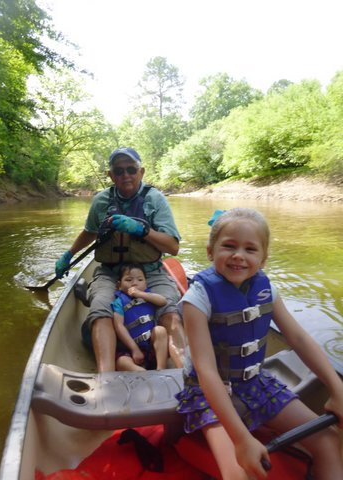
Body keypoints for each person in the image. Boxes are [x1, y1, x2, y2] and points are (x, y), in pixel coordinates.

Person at [175, 208, 343, 480]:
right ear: (210, 252)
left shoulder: (267, 290)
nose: (238, 255)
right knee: (240, 474)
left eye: (250, 249)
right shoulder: (197, 298)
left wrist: (337, 389)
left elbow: (299, 339)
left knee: (328, 440)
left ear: (263, 259)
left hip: (255, 382)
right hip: (207, 393)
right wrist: (241, 440)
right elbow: (206, 371)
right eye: (229, 246)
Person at [55, 147, 185, 372]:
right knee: (100, 309)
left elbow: (172, 247)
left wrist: (143, 230)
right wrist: (69, 255)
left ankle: (190, 375)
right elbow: (90, 232)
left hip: (151, 270)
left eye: (131, 169)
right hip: (111, 272)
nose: (126, 175)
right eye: (119, 170)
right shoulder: (101, 201)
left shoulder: (155, 199)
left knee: (170, 311)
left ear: (141, 172)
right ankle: (106, 378)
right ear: (111, 175)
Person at [112, 262, 169, 371]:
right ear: (119, 285)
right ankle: (140, 372)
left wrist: (141, 294)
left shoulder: (148, 296)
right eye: (129, 280)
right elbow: (119, 326)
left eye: (140, 280)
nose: (134, 283)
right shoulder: (118, 302)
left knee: (160, 330)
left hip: (151, 347)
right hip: (130, 351)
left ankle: (160, 369)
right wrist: (134, 349)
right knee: (121, 362)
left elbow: (163, 301)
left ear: (146, 284)